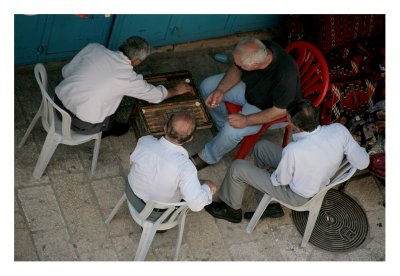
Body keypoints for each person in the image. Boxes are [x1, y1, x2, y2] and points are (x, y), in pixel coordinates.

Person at [204, 99, 370, 223]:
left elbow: (281, 180)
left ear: (296, 126)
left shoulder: (294, 150)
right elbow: (363, 163)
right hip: (315, 179)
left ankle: (231, 209)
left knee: (237, 167)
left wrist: (268, 173)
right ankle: (270, 205)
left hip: (297, 195)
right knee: (262, 147)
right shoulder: (339, 130)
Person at [190, 37, 301, 170]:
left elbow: (280, 111)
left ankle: (208, 156)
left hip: (268, 108)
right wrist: (221, 89)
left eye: (241, 65)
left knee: (231, 131)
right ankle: (222, 127)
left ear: (254, 65)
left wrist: (246, 120)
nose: (236, 66)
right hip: (252, 90)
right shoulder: (262, 47)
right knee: (207, 87)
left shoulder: (285, 76)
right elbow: (236, 68)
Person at [54, 36, 192, 137]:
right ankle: (107, 130)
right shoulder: (128, 79)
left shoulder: (94, 48)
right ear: (137, 61)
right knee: (113, 103)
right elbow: (156, 96)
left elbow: (66, 72)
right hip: (79, 123)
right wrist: (176, 90)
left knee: (109, 93)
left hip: (56, 102)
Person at [126, 112, 217, 221]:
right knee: (199, 189)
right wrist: (208, 188)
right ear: (190, 138)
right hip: (155, 214)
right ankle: (160, 227)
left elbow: (132, 160)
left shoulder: (145, 141)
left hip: (130, 193)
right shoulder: (186, 167)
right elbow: (196, 205)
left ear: (165, 128)